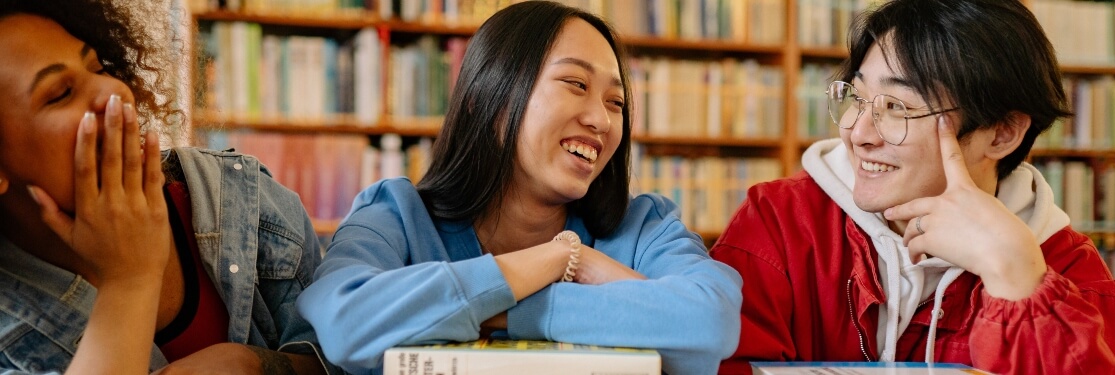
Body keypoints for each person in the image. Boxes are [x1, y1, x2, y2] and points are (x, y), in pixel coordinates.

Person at [295, 2, 743, 374]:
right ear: (488, 100)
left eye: (616, 102)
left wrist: (512, 307)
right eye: (576, 84)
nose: (602, 120)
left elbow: (709, 321)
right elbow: (344, 320)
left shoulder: (644, 225)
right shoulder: (395, 214)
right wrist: (555, 259)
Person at [710, 0, 1115, 374]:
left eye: (896, 107)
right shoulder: (780, 220)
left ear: (1002, 133)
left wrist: (1017, 278)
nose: (858, 132)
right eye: (857, 98)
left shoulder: (1068, 267)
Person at [0, 1, 336, 374]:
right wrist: (129, 281)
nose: (115, 92)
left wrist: (258, 365)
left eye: (98, 67)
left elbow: (344, 362)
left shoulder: (247, 201)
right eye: (60, 93)